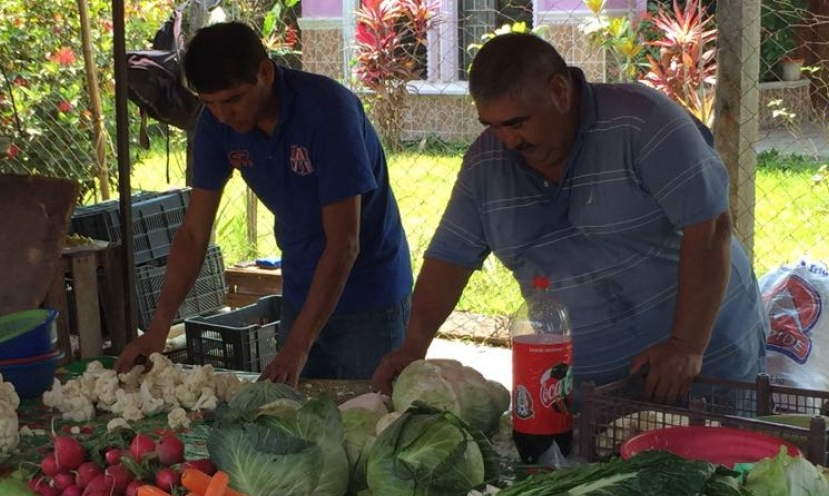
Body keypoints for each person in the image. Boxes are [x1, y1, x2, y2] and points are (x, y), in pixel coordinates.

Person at [373, 32, 766, 408]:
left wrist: (686, 345)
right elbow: (449, 259)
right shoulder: (486, 164)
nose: (508, 140)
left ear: (560, 91)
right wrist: (413, 347)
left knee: (721, 470)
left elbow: (710, 227)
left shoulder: (643, 122)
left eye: (517, 122)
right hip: (587, 390)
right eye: (492, 125)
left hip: (704, 363)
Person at [115, 22, 413, 385]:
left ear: (265, 73)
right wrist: (158, 328)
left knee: (369, 419)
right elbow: (194, 234)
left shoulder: (328, 112)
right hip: (302, 288)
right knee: (297, 421)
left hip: (370, 292)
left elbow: (344, 244)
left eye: (233, 99)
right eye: (210, 103)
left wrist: (297, 346)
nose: (223, 115)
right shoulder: (215, 125)